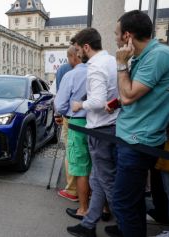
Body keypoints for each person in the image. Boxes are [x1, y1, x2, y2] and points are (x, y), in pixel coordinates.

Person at [111, 10, 169, 237]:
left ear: (127, 36)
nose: (115, 39)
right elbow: (129, 97)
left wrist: (120, 64)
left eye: (116, 34)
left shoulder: (158, 55)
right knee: (132, 202)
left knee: (123, 203)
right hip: (132, 138)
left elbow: (128, 95)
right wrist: (117, 103)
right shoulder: (143, 57)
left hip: (138, 142)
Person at [67, 28, 119, 237]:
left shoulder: (96, 66)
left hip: (100, 129)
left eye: (79, 49)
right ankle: (89, 224)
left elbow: (97, 101)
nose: (78, 54)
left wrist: (80, 105)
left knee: (106, 182)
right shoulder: (112, 61)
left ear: (86, 47)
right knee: (97, 180)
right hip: (110, 126)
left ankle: (127, 225)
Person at [54, 45, 91, 217]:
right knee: (95, 163)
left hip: (76, 121)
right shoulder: (96, 70)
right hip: (96, 121)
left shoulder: (71, 74)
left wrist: (63, 110)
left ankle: (81, 205)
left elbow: (60, 104)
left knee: (78, 162)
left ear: (73, 57)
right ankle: (102, 206)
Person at [55, 52, 77, 203]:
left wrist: (58, 114)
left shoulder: (64, 70)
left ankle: (72, 189)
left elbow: (59, 97)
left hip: (69, 116)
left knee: (71, 151)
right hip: (88, 118)